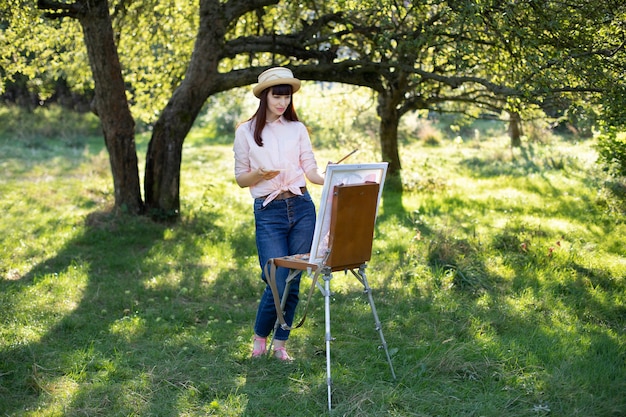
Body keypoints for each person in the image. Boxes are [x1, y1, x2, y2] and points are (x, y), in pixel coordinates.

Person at [233, 67, 325, 361]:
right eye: (277, 96)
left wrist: (330, 175)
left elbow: (310, 169)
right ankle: (260, 338)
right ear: (264, 96)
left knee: (295, 279)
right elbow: (240, 178)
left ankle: (280, 345)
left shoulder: (297, 129)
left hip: (301, 207)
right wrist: (258, 174)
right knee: (275, 277)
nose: (282, 102)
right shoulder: (246, 131)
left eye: (286, 96)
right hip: (269, 211)